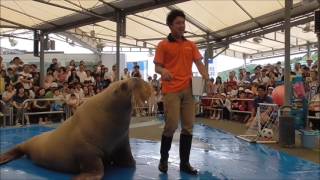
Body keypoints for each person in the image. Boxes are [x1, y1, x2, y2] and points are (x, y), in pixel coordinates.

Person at [154, 9, 209, 175]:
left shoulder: (190, 44)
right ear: (170, 25)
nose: (182, 25)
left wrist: (207, 79)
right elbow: (157, 66)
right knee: (171, 125)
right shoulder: (163, 45)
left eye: (183, 22)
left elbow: (199, 63)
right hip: (171, 90)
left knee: (188, 127)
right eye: (178, 23)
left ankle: (184, 163)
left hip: (188, 89)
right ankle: (164, 159)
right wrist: (163, 71)